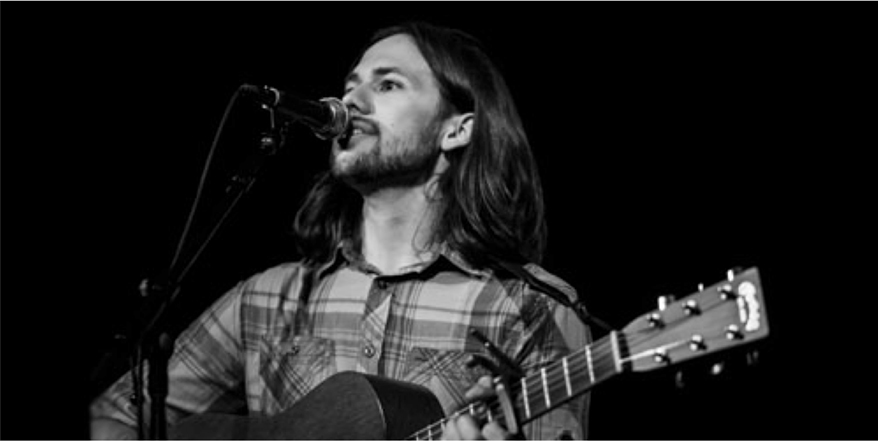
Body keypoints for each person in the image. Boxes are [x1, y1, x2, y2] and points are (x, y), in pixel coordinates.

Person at [90, 21, 591, 440]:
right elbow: (114, 418)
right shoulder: (267, 298)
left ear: (456, 128)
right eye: (352, 83)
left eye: (388, 83)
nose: (350, 99)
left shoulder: (531, 309)